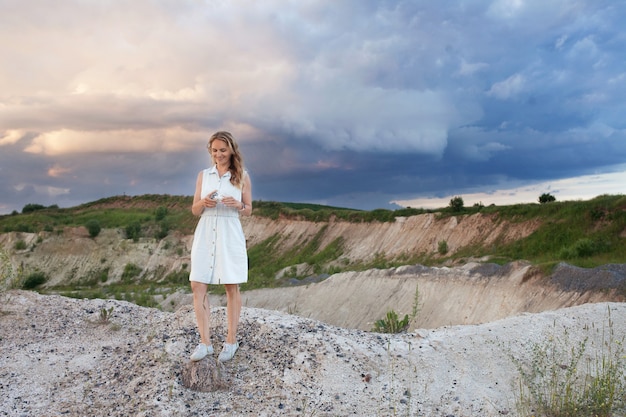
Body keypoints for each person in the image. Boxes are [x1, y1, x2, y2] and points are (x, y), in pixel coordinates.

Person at [189, 131, 252, 362]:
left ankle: (231, 341)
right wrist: (203, 203)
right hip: (206, 230)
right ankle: (205, 343)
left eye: (223, 150)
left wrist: (238, 204)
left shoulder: (242, 176)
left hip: (229, 231)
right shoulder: (203, 175)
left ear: (232, 150)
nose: (218, 154)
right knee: (198, 283)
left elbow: (248, 210)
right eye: (214, 150)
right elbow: (195, 210)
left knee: (231, 285)